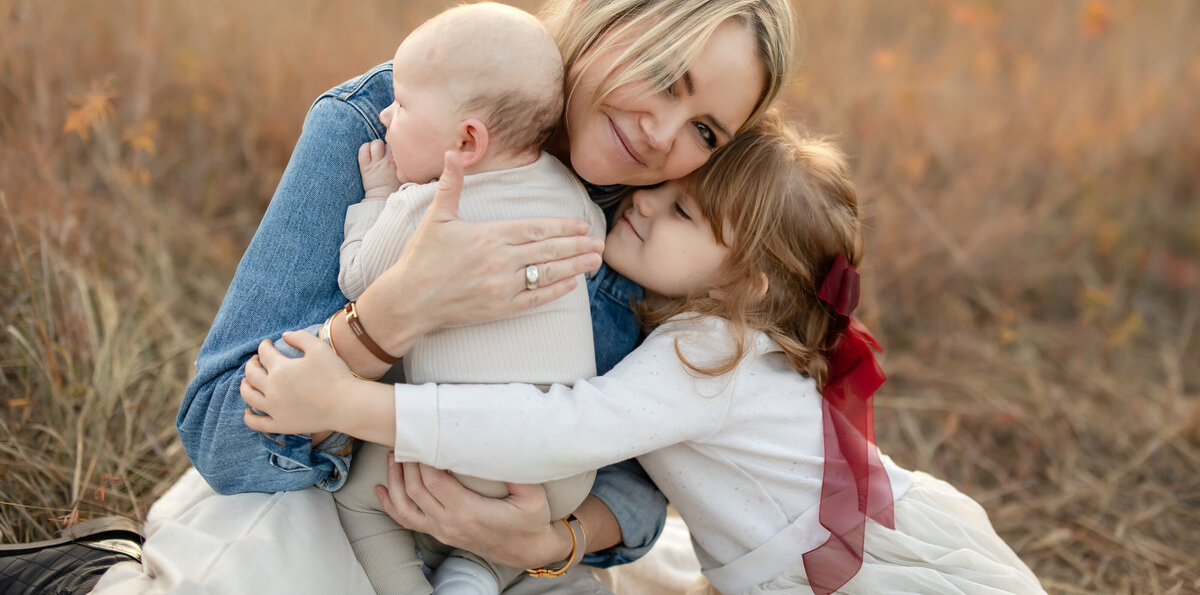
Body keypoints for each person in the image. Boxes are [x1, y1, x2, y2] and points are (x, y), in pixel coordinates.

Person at [0, 0, 796, 593]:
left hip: (499, 550)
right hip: (332, 500)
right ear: (598, 5)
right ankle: (84, 574)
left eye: (704, 130)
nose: (664, 135)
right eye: (663, 78)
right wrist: (393, 313)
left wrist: (553, 536)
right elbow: (220, 433)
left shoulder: (655, 218)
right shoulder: (389, 122)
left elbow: (644, 469)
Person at [243, 116, 1047, 595]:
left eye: (681, 213)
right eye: (658, 193)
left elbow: (565, 426)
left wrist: (355, 407)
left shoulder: (711, 351)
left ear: (745, 279)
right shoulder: (704, 337)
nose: (643, 207)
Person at [304, 1, 605, 595]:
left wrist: (380, 196)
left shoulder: (424, 206)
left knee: (361, 498)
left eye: (405, 103)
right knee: (523, 517)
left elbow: (358, 279)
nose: (386, 114)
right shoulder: (571, 194)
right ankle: (478, 572)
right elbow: (592, 239)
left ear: (467, 141)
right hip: (566, 469)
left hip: (459, 445)